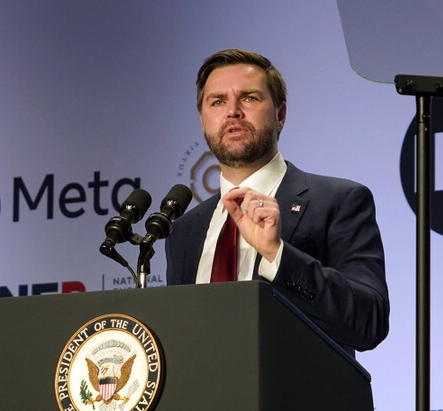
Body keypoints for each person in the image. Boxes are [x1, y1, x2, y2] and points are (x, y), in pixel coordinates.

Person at [165, 49, 389, 352]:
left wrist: (276, 253)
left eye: (249, 98)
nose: (232, 111)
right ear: (204, 120)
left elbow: (369, 321)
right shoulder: (184, 231)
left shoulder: (339, 201)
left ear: (280, 115)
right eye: (217, 101)